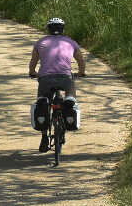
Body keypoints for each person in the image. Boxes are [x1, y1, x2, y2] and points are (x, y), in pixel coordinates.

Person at [27, 17, 88, 152]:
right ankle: (69, 101)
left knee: (43, 102)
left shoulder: (41, 42)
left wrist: (32, 72)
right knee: (70, 94)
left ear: (48, 29)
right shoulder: (71, 42)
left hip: (45, 78)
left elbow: (33, 62)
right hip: (65, 77)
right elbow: (81, 61)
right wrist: (81, 72)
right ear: (62, 30)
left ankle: (44, 137)